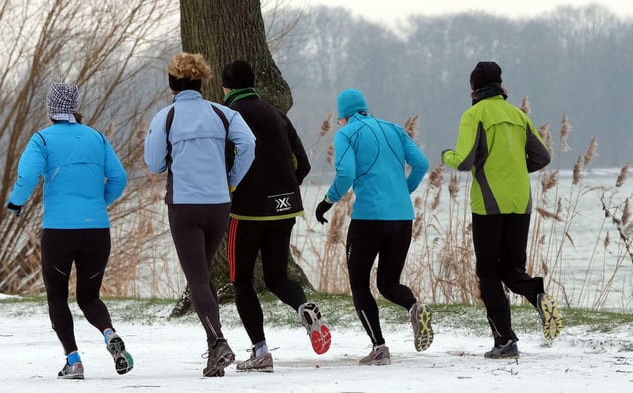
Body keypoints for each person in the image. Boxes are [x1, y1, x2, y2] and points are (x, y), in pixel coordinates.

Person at [7, 82, 133, 380]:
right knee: (89, 297)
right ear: (75, 107)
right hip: (96, 230)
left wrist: (15, 203)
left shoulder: (42, 139)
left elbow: (27, 176)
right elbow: (119, 178)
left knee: (57, 297)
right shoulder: (97, 137)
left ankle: (74, 361)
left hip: (59, 231)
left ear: (50, 109)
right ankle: (109, 333)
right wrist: (98, 203)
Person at [144, 53, 256, 377]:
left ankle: (218, 342)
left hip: (185, 206)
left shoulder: (165, 118)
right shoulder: (223, 113)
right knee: (203, 276)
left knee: (196, 278)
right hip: (219, 204)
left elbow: (154, 164)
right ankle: (214, 357)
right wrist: (231, 179)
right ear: (201, 81)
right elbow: (249, 144)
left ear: (172, 84)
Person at [442, 61, 564, 359]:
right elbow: (543, 157)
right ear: (500, 85)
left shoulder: (474, 115)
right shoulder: (518, 115)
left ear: (474, 88)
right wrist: (515, 168)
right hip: (520, 201)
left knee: (487, 270)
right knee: (512, 269)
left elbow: (465, 161)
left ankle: (504, 340)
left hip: (489, 203)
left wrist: (446, 156)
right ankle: (537, 294)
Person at [220, 59, 331, 373]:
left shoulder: (229, 116)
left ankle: (261, 351)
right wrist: (286, 189)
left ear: (226, 88)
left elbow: (225, 161)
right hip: (286, 207)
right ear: (252, 83)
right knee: (277, 277)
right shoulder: (277, 114)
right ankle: (302, 306)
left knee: (242, 280)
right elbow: (303, 163)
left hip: (247, 211)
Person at [315, 88, 433, 366]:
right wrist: (404, 190)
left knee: (359, 284)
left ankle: (379, 347)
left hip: (369, 219)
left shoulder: (346, 134)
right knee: (388, 283)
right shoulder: (394, 129)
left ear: (344, 116)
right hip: (402, 218)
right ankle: (414, 307)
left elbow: (346, 173)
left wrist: (327, 201)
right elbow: (421, 164)